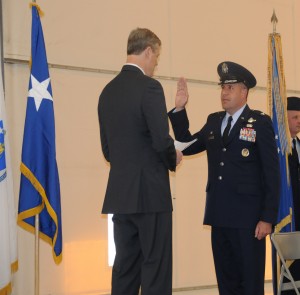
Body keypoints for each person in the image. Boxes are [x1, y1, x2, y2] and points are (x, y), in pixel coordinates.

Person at [168, 61, 280, 295]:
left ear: (244, 91)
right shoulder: (214, 121)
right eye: (223, 88)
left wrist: (267, 217)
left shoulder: (259, 123)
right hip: (220, 217)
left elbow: (272, 173)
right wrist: (179, 110)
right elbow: (186, 146)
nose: (224, 93)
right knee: (226, 283)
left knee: (250, 284)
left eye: (230, 88)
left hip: (250, 222)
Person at [98, 27, 182, 295]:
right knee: (155, 270)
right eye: (156, 59)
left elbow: (108, 150)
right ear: (148, 51)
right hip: (151, 196)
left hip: (120, 197)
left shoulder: (107, 92)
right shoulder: (150, 88)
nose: (155, 65)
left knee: (124, 269)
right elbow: (160, 140)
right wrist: (174, 156)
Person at [282, 96, 300, 294]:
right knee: (289, 269)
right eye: (294, 117)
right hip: (287, 216)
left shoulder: (298, 144)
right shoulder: (278, 149)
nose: (299, 121)